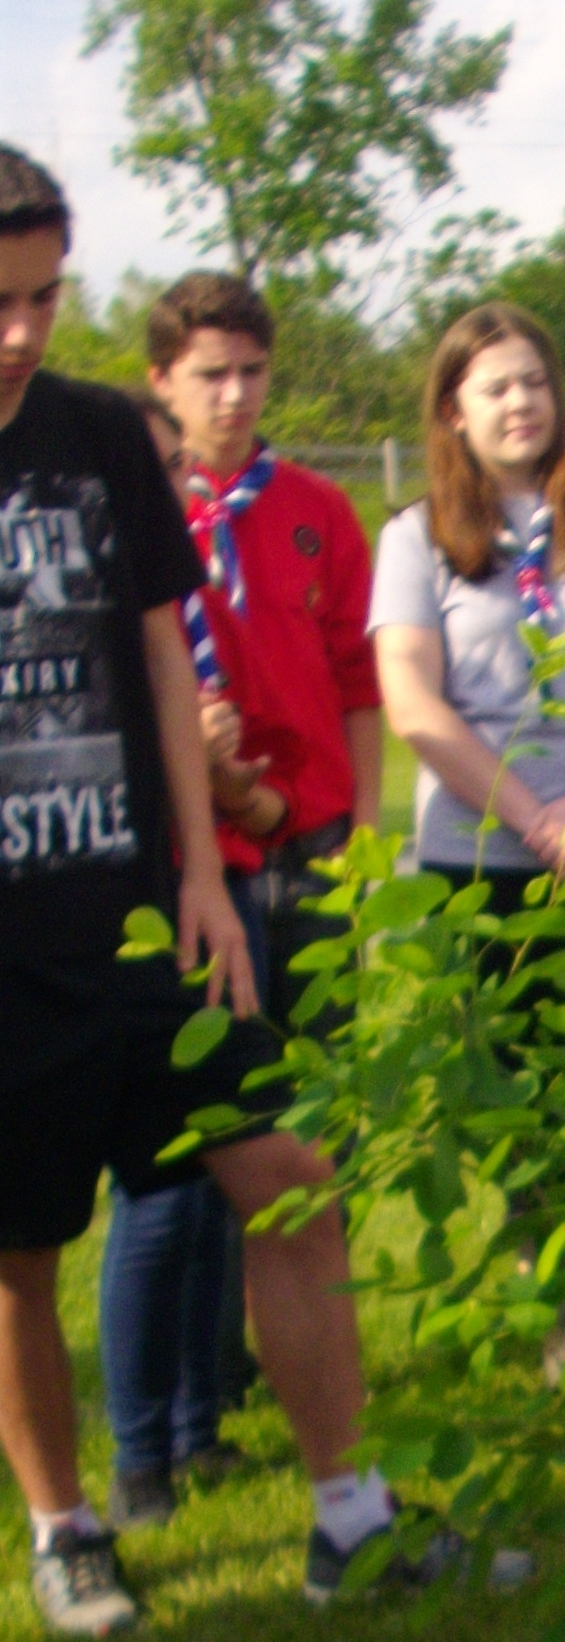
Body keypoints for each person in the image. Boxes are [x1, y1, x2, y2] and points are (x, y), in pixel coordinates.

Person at [0, 145, 456, 1635]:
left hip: (146, 915)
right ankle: (69, 1529)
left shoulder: (97, 439)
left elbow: (159, 657)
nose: (22, 331)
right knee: (18, 1250)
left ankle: (350, 1517)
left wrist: (202, 874)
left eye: (46, 295)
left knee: (292, 1186)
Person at [96, 274, 382, 1532]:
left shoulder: (314, 510)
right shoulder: (134, 508)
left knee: (299, 1147)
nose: (232, 395)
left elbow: (358, 679)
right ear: (161, 377)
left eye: (252, 372)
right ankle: (161, 1432)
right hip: (182, 868)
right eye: (208, 373)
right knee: (182, 1164)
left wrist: (357, 837)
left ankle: (249, 1389)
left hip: (306, 846)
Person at [370, 303, 565, 969]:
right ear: (454, 411)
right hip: (473, 861)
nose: (522, 403)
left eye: (536, 383)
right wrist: (538, 825)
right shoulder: (411, 538)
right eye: (496, 389)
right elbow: (413, 705)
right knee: (486, 1072)